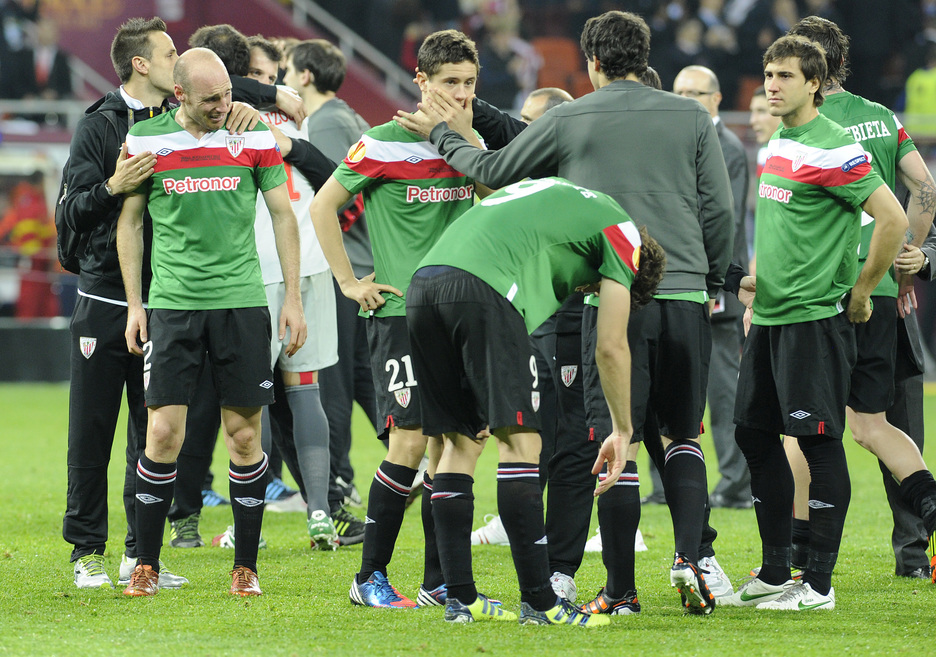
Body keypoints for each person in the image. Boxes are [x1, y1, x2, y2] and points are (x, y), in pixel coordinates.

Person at [395, 10, 734, 614]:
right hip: (676, 293)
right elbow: (721, 211)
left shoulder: (569, 124)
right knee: (676, 435)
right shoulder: (691, 119)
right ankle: (688, 558)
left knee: (573, 436)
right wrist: (713, 279)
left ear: (593, 64)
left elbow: (496, 169)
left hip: (500, 284)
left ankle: (608, 591)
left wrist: (445, 134)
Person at [406, 176, 664, 626]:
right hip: (482, 291)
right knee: (523, 443)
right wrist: (622, 430)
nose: (587, 293)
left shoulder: (566, 200)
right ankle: (540, 603)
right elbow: (610, 346)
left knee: (459, 442)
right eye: (595, 291)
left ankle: (459, 597)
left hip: (424, 285)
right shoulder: (623, 238)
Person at [59, 16, 243, 590]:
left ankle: (141, 556)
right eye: (169, 53)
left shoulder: (182, 122)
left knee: (155, 430)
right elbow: (68, 213)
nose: (179, 59)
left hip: (168, 297)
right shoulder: (100, 126)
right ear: (142, 64)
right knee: (92, 430)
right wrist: (114, 186)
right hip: (104, 294)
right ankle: (87, 552)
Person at [724, 34, 907, 612]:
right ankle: (777, 570)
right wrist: (758, 282)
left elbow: (893, 217)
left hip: (813, 321)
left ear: (814, 84)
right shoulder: (779, 140)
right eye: (767, 74)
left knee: (820, 443)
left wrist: (860, 290)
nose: (770, 85)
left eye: (783, 76)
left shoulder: (834, 146)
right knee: (752, 434)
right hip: (772, 314)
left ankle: (819, 585)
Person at [116, 47, 306, 597]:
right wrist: (135, 304)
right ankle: (146, 565)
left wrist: (290, 297)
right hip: (173, 305)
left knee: (244, 438)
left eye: (228, 93)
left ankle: (245, 567)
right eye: (210, 99)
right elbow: (128, 226)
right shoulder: (147, 140)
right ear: (179, 97)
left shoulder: (251, 136)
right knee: (162, 432)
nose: (224, 105)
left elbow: (282, 215)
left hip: (242, 303)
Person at [309, 29, 489, 609]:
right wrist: (347, 281)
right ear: (422, 83)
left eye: (468, 83)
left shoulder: (472, 145)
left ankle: (437, 582)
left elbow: (498, 199)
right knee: (409, 441)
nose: (460, 93)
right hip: (399, 315)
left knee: (452, 443)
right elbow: (322, 206)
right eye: (449, 83)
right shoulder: (383, 143)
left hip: (458, 316)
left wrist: (465, 141)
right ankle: (369, 577)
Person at [780, 15, 936, 580]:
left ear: (810, 72)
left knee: (804, 427)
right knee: (876, 423)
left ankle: (799, 561)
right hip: (885, 288)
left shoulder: (805, 124)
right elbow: (926, 186)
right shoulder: (880, 117)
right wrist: (908, 256)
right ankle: (921, 533)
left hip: (822, 294)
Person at [249, 35, 342, 551]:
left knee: (256, 396)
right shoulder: (297, 115)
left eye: (272, 73)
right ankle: (320, 511)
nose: (270, 82)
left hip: (261, 268)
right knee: (304, 388)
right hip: (309, 263)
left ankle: (254, 517)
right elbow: (332, 176)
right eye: (263, 74)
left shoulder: (231, 118)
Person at [290, 39, 378, 527]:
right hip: (367, 263)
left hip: (344, 269)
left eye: (287, 68)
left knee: (333, 384)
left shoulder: (322, 125)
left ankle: (339, 482)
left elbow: (330, 200)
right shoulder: (352, 118)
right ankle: (413, 458)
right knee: (363, 377)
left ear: (304, 75)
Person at [673, 65, 752, 510]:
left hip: (714, 286)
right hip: (682, 282)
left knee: (723, 391)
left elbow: (726, 221)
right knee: (672, 384)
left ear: (717, 99)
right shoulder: (679, 139)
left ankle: (736, 483)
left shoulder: (728, 147)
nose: (686, 100)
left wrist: (715, 281)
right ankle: (666, 483)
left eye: (696, 93)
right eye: (679, 91)